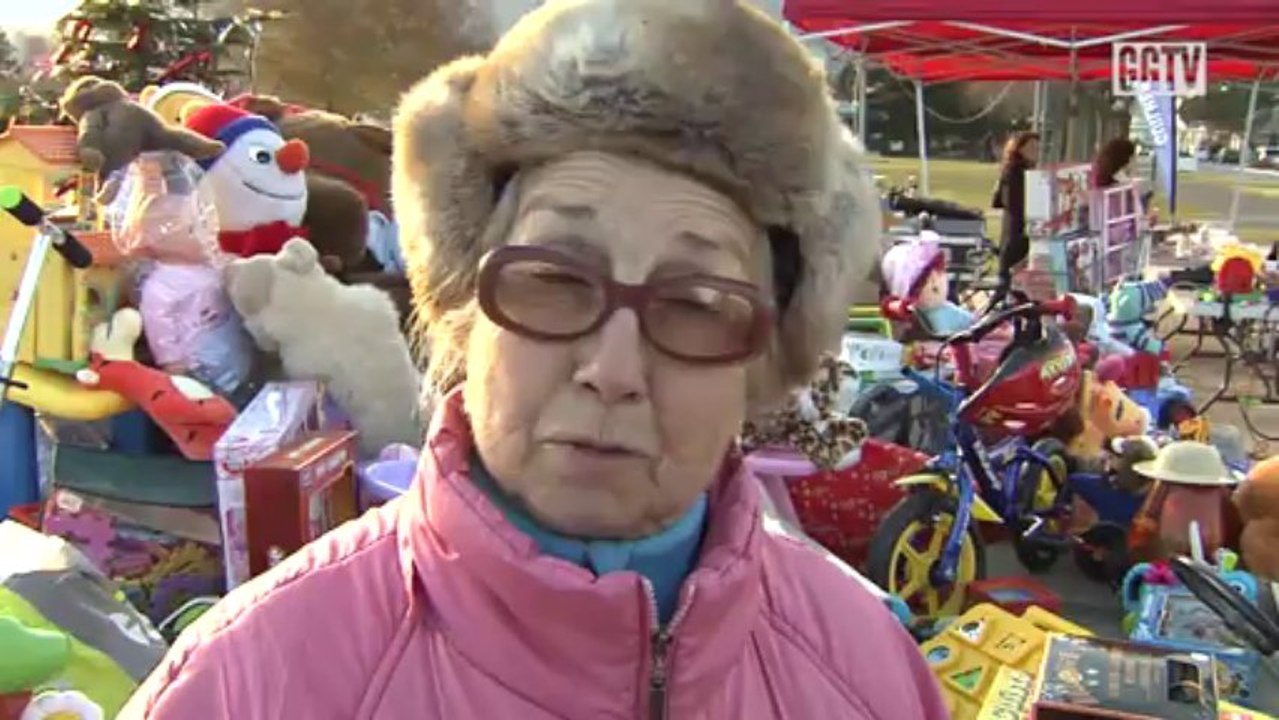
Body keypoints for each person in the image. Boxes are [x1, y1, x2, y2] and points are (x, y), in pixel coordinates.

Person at [119, 2, 946, 718]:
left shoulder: (866, 673)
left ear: (762, 360)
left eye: (694, 305)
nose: (612, 368)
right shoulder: (250, 686)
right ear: (465, 308)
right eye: (553, 280)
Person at [992, 131, 1040, 290]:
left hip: (1015, 237)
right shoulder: (1015, 173)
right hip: (1017, 237)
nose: (1036, 151)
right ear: (1019, 149)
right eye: (1031, 147)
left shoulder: (1019, 171)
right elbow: (1013, 203)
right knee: (1010, 288)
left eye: (1037, 147)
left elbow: (998, 201)